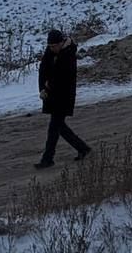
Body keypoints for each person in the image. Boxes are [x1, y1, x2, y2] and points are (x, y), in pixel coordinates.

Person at [35, 29, 91, 169]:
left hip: (63, 96)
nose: (52, 48)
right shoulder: (50, 52)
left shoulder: (69, 55)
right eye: (50, 46)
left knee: (54, 128)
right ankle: (83, 148)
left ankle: (47, 159)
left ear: (61, 43)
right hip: (51, 95)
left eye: (54, 46)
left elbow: (62, 77)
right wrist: (42, 88)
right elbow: (43, 70)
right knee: (59, 127)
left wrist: (47, 87)